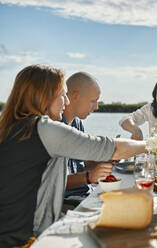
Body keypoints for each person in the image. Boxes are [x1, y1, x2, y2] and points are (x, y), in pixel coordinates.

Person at [0, 65, 146, 247]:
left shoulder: (14, 127)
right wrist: (153, 144)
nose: (66, 102)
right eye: (62, 95)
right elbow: (111, 147)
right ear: (44, 95)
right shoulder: (44, 129)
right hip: (25, 239)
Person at [33, 72, 113, 236]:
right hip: (66, 202)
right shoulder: (52, 127)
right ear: (75, 96)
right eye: (93, 101)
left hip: (86, 193)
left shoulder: (77, 123)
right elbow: (53, 182)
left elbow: (80, 164)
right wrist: (89, 177)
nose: (96, 107)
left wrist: (104, 160)